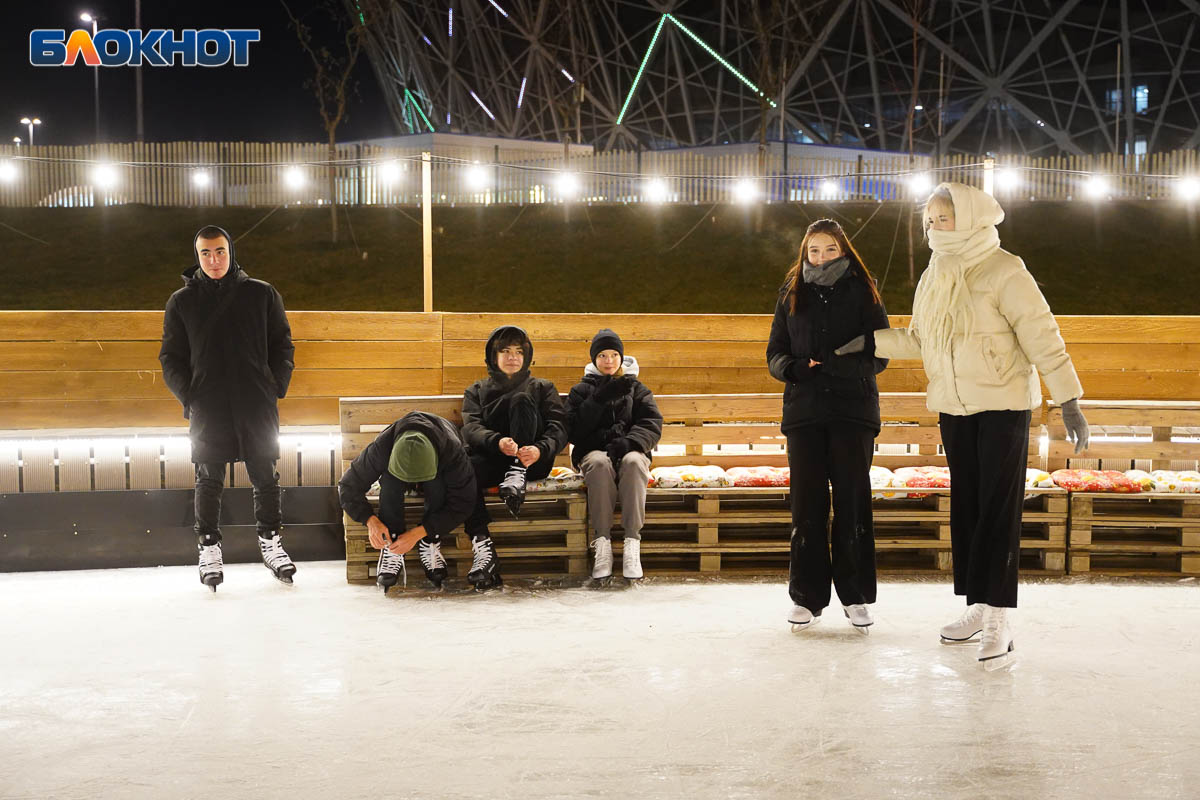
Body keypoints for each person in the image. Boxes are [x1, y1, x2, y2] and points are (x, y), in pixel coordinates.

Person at [839, 182, 1089, 667]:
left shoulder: (1004, 269)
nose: (933, 226)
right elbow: (924, 339)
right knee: (969, 509)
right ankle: (978, 606)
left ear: (970, 218)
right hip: (954, 407)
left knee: (998, 510)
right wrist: (872, 342)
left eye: (942, 218)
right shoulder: (937, 272)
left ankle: (999, 617)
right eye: (928, 218)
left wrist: (1069, 399)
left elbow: (1042, 334)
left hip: (1003, 405)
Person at [766, 219, 890, 633]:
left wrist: (839, 364)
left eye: (829, 250)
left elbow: (881, 352)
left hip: (853, 412)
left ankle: (855, 597)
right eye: (814, 250)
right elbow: (775, 355)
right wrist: (796, 368)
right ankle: (807, 597)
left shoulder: (862, 289)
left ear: (844, 250)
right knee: (808, 506)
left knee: (853, 505)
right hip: (804, 414)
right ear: (806, 252)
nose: (820, 257)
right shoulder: (791, 293)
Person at [159, 225, 296, 591]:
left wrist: (273, 386)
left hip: (255, 401)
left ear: (231, 251)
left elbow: (282, 345)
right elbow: (171, 357)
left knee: (265, 473)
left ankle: (270, 542)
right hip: (209, 404)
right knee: (208, 477)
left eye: (219, 251)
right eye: (205, 253)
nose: (213, 260)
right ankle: (208, 548)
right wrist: (190, 395)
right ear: (197, 256)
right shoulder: (182, 303)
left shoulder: (261, 294)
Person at [460, 325, 568, 590]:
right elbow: (471, 427)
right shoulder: (476, 390)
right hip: (495, 459)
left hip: (532, 462)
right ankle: (482, 547)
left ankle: (516, 472)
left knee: (521, 399)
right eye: (506, 351)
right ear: (493, 356)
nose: (513, 357)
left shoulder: (542, 387)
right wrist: (497, 441)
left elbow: (559, 426)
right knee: (465, 469)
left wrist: (540, 448)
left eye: (519, 352)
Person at [338, 411, 477, 593]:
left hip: (439, 474)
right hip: (393, 477)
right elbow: (348, 486)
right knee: (389, 481)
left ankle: (430, 541)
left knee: (438, 485)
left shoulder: (453, 451)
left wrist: (420, 533)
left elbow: (464, 502)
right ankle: (392, 542)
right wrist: (371, 521)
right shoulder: (382, 448)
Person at [566, 329, 663, 580]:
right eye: (602, 355)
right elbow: (573, 429)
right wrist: (598, 400)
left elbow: (651, 423)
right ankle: (602, 542)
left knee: (633, 463)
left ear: (621, 357)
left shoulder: (637, 387)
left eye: (613, 355)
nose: (608, 361)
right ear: (594, 359)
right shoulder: (580, 391)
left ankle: (632, 541)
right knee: (598, 463)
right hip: (593, 451)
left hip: (631, 449)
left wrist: (629, 442)